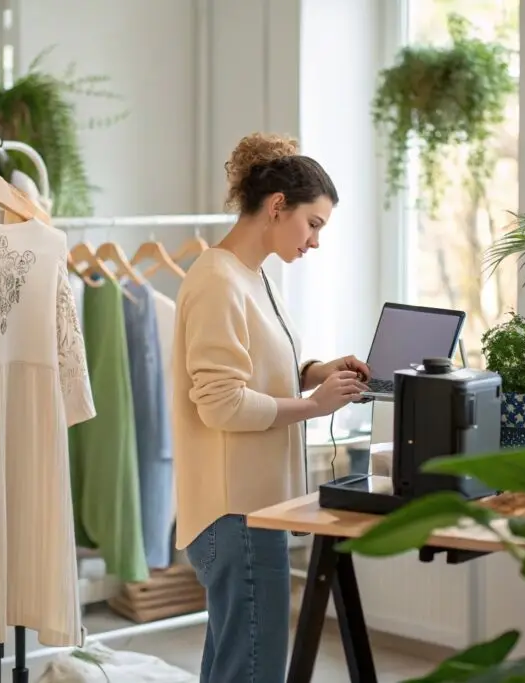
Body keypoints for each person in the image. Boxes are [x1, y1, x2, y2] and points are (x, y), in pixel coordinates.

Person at [171, 132, 371, 683]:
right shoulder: (217, 280)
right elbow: (220, 404)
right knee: (253, 670)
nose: (315, 241)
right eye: (314, 224)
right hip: (235, 512)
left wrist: (318, 372)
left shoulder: (252, 277)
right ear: (278, 206)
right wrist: (313, 406)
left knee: (236, 665)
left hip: (250, 508)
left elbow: (259, 366)